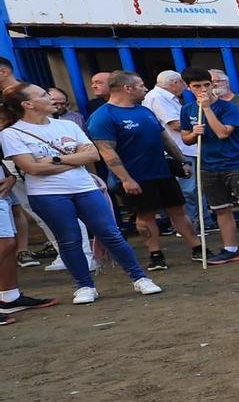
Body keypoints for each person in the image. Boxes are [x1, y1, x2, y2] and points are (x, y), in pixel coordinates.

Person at [1, 82, 161, 304]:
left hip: (84, 187)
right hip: (47, 193)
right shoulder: (12, 133)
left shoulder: (67, 126)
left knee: (110, 233)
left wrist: (57, 159)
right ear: (28, 104)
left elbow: (92, 156)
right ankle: (84, 285)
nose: (51, 98)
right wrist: (75, 160)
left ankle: (139, 277)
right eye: (44, 95)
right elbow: (32, 168)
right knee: (69, 240)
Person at [88, 71, 200, 272]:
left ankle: (198, 248)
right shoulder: (103, 116)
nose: (145, 88)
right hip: (136, 176)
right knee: (146, 215)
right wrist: (126, 179)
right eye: (140, 85)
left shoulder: (145, 111)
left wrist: (182, 161)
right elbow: (107, 151)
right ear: (127, 88)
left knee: (178, 209)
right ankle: (155, 254)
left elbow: (164, 138)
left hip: (161, 171)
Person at [180, 73, 239, 265]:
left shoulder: (229, 107)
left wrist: (207, 110)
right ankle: (231, 249)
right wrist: (193, 133)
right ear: (188, 87)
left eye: (207, 85)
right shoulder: (187, 109)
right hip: (208, 165)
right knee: (221, 209)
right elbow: (186, 138)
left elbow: (223, 133)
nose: (203, 89)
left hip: (235, 163)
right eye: (197, 86)